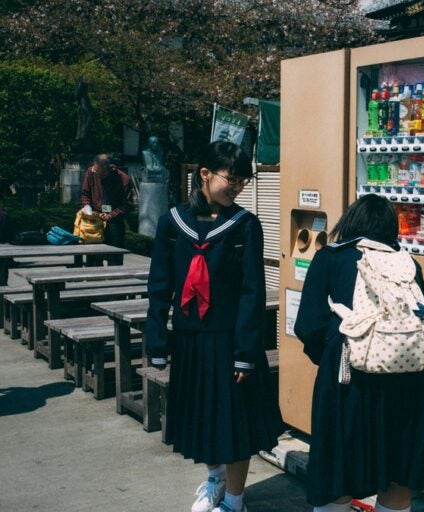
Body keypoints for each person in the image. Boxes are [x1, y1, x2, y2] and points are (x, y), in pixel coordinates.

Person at [294, 194, 424, 512]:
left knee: (337, 473)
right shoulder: (406, 261)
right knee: (398, 477)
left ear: (350, 222)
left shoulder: (330, 257)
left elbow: (308, 325)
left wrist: (329, 357)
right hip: (409, 385)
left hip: (348, 381)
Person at [146, 141, 283, 512]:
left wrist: (244, 354)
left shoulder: (245, 226)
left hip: (232, 341)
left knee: (234, 424)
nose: (238, 186)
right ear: (204, 174)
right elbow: (160, 286)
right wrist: (157, 340)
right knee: (202, 417)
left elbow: (252, 292)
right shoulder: (172, 224)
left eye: (243, 180)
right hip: (191, 339)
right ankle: (214, 477)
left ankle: (235, 500)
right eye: (232, 178)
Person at [79, 153, 132, 265]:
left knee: (114, 256)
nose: (97, 174)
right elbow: (85, 194)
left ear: (110, 168)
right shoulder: (91, 172)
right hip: (94, 219)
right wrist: (87, 207)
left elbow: (126, 205)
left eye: (101, 173)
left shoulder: (124, 179)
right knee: (93, 258)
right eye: (95, 171)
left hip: (114, 221)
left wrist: (111, 214)